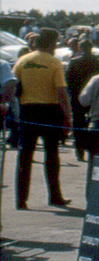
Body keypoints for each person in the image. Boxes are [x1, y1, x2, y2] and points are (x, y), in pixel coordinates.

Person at [11, 29, 72, 208]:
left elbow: (14, 84)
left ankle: (21, 199)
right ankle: (54, 196)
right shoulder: (55, 63)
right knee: (52, 154)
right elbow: (61, 92)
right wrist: (68, 116)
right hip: (49, 111)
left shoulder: (23, 60)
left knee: (25, 155)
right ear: (52, 44)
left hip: (27, 110)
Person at [65, 38, 99, 162]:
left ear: (80, 48)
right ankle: (92, 149)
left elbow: (68, 79)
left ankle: (79, 150)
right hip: (92, 95)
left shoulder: (74, 61)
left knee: (78, 122)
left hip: (76, 95)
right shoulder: (96, 61)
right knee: (91, 122)